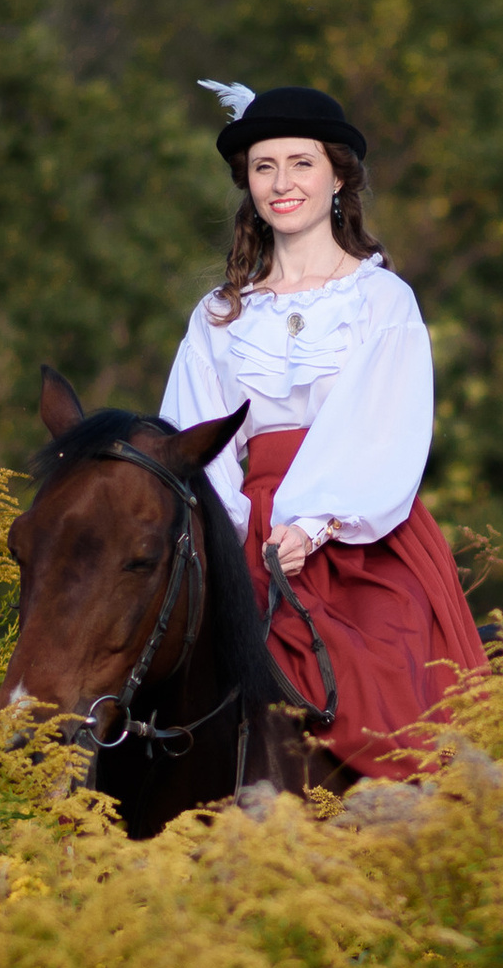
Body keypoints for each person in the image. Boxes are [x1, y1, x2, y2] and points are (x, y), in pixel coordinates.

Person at [158, 81, 486, 780]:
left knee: (391, 681)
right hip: (243, 519)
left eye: (301, 163)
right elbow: (197, 439)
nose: (282, 183)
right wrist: (229, 532)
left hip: (359, 528)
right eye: (264, 166)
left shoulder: (380, 299)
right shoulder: (218, 315)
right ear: (248, 184)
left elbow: (384, 428)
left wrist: (311, 525)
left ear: (339, 175)